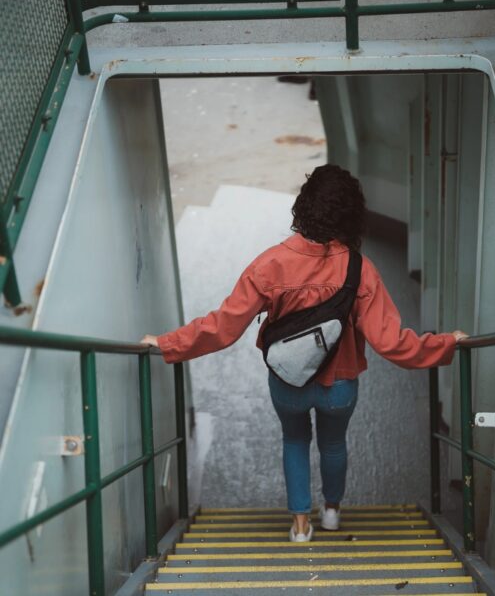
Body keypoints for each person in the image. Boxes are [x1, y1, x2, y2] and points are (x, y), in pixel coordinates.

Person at [141, 164, 467, 542]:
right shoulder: (361, 270)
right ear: (351, 214)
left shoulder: (270, 264)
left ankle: (299, 524)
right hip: (340, 384)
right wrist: (446, 344)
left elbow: (223, 327)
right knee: (333, 443)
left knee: (294, 441)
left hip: (287, 381)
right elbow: (392, 343)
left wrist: (167, 343)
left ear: (304, 206)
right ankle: (331, 512)